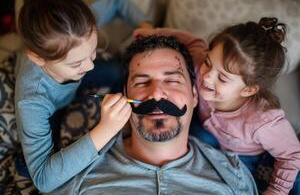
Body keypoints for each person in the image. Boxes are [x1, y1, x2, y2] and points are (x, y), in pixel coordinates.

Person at [48, 35, 258, 195]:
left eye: (172, 81)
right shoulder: (76, 172)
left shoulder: (233, 176)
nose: (156, 93)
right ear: (124, 96)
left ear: (194, 96)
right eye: (141, 82)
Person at [134, 17, 300, 195]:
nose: (207, 77)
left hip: (247, 156)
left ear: (248, 90)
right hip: (209, 134)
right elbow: (192, 41)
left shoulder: (263, 122)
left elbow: (292, 155)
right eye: (208, 62)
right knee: (191, 139)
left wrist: (276, 190)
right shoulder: (199, 66)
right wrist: (153, 32)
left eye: (222, 78)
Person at [14, 0, 146, 192]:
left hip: (68, 89)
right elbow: (43, 180)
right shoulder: (32, 101)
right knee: (29, 167)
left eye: (93, 50)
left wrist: (147, 27)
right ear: (38, 58)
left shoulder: (77, 28)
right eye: (76, 63)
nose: (91, 65)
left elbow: (117, 2)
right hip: (50, 108)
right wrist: (106, 129)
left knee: (119, 71)